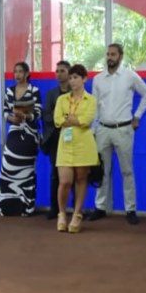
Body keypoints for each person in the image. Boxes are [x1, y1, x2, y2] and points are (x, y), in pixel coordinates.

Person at [89, 43, 146, 224]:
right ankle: (100, 207)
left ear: (121, 56)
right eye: (108, 54)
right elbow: (95, 106)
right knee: (102, 171)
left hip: (123, 129)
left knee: (127, 171)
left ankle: (130, 209)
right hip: (102, 129)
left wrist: (137, 116)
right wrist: (94, 129)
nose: (110, 57)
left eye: (113, 54)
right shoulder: (98, 79)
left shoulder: (130, 76)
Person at [0, 62, 42, 216]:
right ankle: (2, 205)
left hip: (30, 133)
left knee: (28, 170)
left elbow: (38, 112)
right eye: (15, 71)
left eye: (20, 71)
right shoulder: (9, 91)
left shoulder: (34, 90)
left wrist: (26, 116)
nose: (17, 74)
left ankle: (27, 207)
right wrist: (11, 119)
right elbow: (5, 111)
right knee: (7, 167)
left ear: (27, 73)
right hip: (14, 131)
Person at [54, 64, 97, 234]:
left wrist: (72, 119)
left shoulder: (91, 99)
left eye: (76, 78)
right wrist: (73, 119)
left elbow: (86, 120)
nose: (72, 81)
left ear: (84, 79)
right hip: (65, 144)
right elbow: (58, 120)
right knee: (64, 181)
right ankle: (62, 214)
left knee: (81, 179)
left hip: (84, 144)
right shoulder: (61, 100)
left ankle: (77, 214)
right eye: (71, 78)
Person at [42, 60, 72, 219]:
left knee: (74, 175)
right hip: (55, 138)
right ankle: (55, 209)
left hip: (73, 138)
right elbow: (45, 115)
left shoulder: (76, 93)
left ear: (69, 73)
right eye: (57, 71)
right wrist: (59, 119)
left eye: (62, 71)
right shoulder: (51, 94)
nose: (59, 74)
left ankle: (74, 209)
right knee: (55, 174)